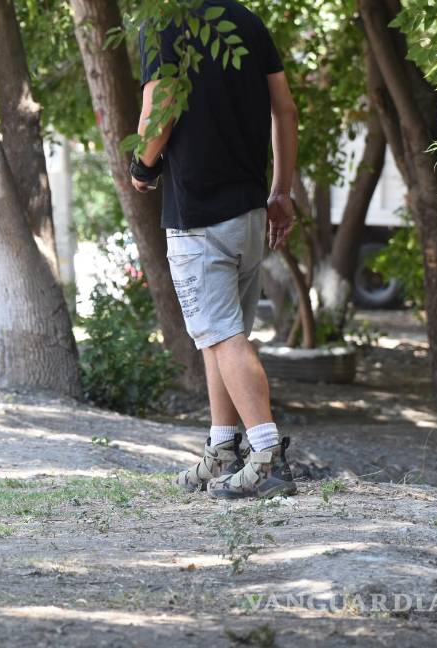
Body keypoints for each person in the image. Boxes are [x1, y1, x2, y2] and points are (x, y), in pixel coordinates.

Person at [130, 1, 300, 499]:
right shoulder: (246, 22)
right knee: (220, 336)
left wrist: (143, 166)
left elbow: (156, 111)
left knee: (222, 336)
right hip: (249, 211)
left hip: (199, 215)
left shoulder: (163, 24)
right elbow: (285, 109)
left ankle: (266, 456)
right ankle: (223, 449)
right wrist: (282, 191)